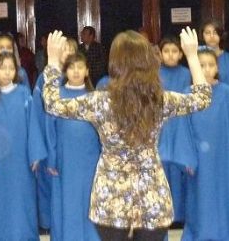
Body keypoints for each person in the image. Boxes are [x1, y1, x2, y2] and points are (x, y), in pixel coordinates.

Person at [42, 27, 212, 240]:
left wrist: (53, 60)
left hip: (110, 198)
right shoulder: (158, 100)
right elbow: (203, 98)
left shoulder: (100, 102)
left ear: (115, 63)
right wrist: (192, 56)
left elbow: (52, 104)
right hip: (152, 195)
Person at [0, 52, 46, 240]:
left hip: (21, 161)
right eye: (2, 68)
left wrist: (35, 154)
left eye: (11, 68)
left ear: (17, 71)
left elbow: (33, 125)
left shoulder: (24, 94)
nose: (7, 72)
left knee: (22, 201)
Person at [182, 48, 229, 241]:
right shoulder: (188, 94)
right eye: (201, 65)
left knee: (222, 195)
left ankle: (224, 233)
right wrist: (187, 158)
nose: (206, 69)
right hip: (198, 158)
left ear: (217, 68)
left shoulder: (226, 92)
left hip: (222, 155)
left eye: (211, 65)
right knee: (199, 196)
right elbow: (183, 129)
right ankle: (200, 233)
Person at [45, 53, 101, 241]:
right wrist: (52, 158)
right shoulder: (57, 96)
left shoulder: (95, 97)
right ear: (65, 71)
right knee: (67, 202)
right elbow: (50, 129)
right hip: (65, 159)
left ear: (87, 71)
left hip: (91, 159)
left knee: (89, 201)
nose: (76, 71)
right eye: (71, 67)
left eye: (80, 67)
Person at [32, 37, 79, 232]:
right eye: (63, 49)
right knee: (47, 185)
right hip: (47, 139)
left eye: (71, 49)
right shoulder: (44, 78)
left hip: (71, 145)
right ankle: (48, 225)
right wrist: (38, 147)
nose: (67, 53)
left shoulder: (77, 78)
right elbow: (36, 112)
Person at [157, 36, 195, 226]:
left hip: (181, 125)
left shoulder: (187, 74)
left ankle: (180, 216)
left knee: (180, 169)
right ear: (160, 54)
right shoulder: (155, 73)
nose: (170, 55)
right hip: (161, 126)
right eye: (166, 51)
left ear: (181, 54)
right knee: (162, 169)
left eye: (174, 51)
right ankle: (163, 214)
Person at [201, 20, 229, 100]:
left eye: (215, 32)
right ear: (202, 35)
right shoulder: (197, 59)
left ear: (221, 35)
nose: (212, 36)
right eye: (208, 33)